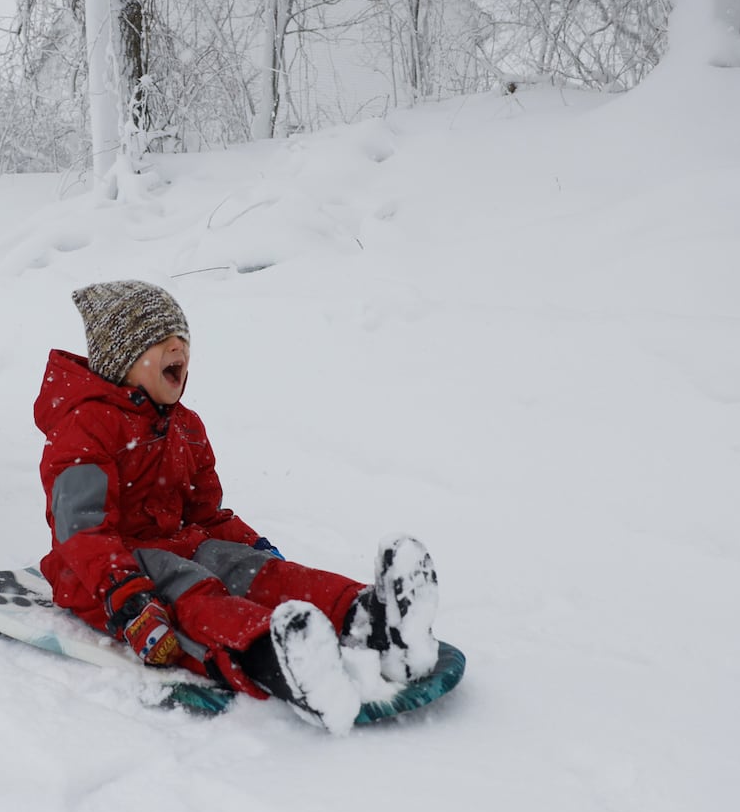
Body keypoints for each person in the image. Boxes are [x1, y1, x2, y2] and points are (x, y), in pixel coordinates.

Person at [34, 280, 442, 734]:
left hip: (181, 544)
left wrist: (256, 548)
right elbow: (82, 528)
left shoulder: (185, 427)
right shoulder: (85, 427)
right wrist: (125, 594)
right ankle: (277, 655)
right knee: (191, 591)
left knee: (250, 569)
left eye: (182, 338)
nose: (178, 347)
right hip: (106, 572)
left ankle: (372, 617)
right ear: (123, 360)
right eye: (159, 340)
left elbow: (207, 516)